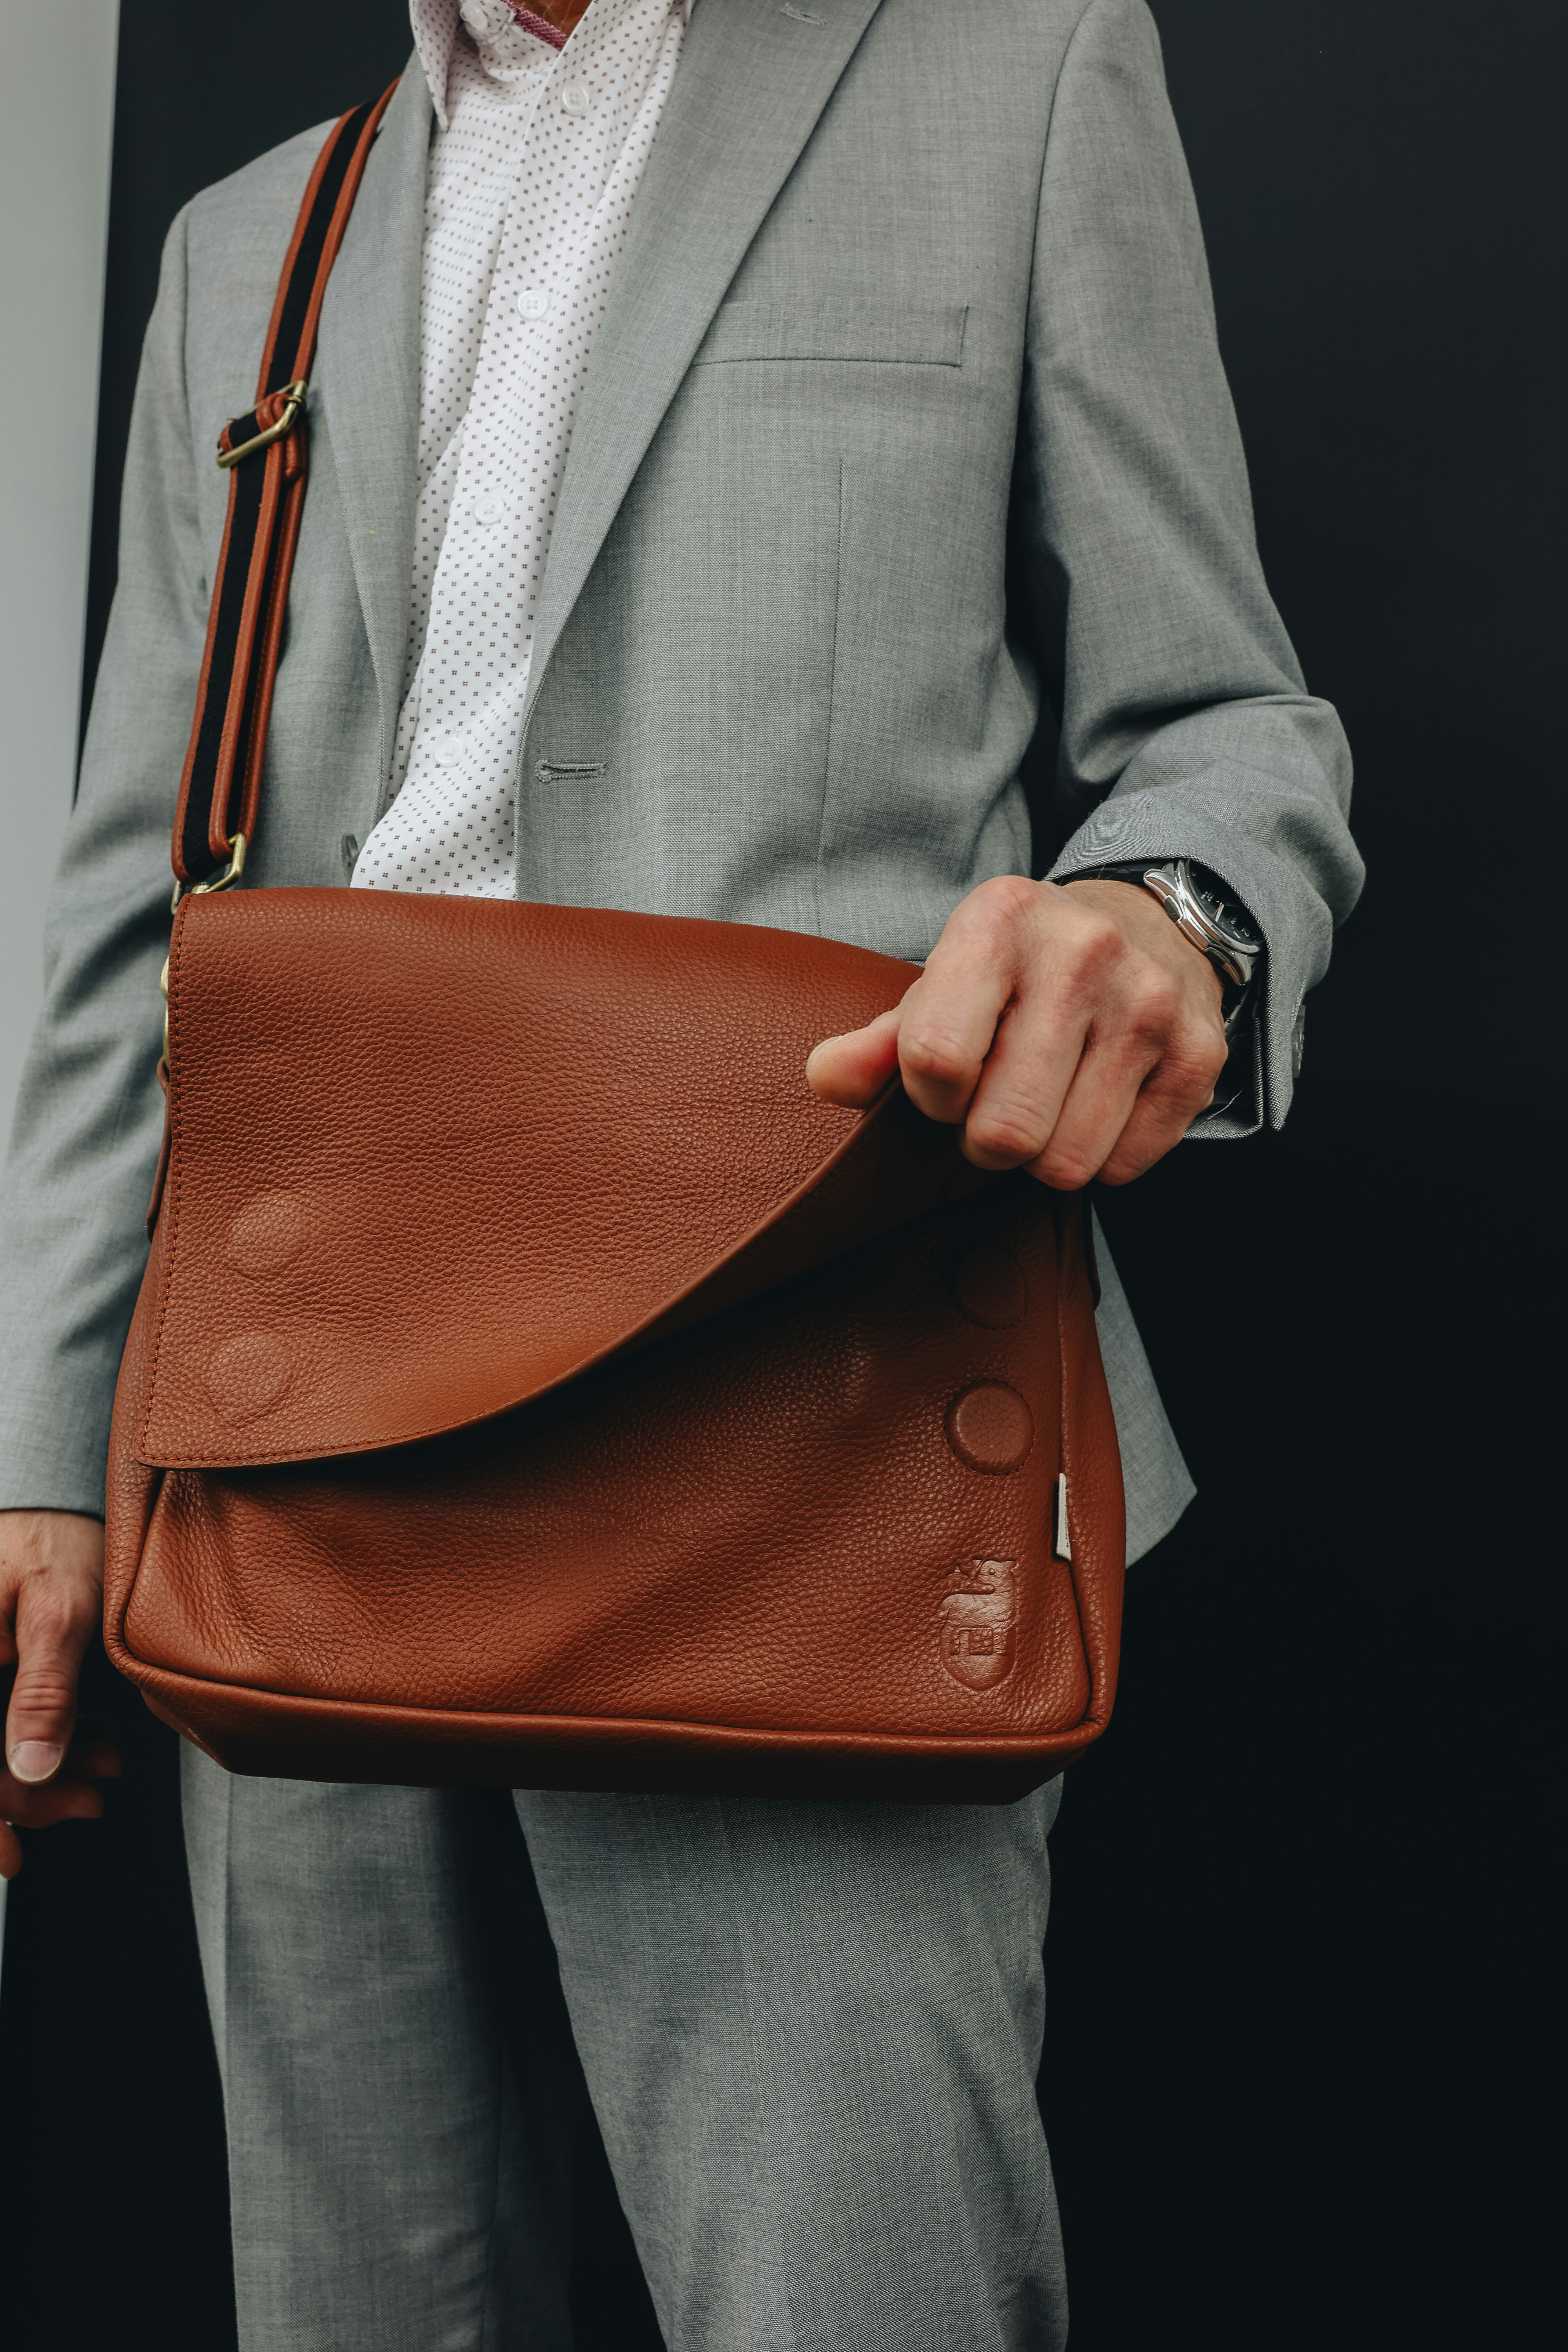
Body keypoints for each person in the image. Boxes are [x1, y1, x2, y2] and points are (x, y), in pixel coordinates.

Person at [0, 0, 1362, 2342]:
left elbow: (1229, 727)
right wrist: (43, 1457)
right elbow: (147, 902)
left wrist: (1177, 921)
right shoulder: (250, 244)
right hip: (299, 1432)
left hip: (810, 1423)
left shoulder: (1017, 73)